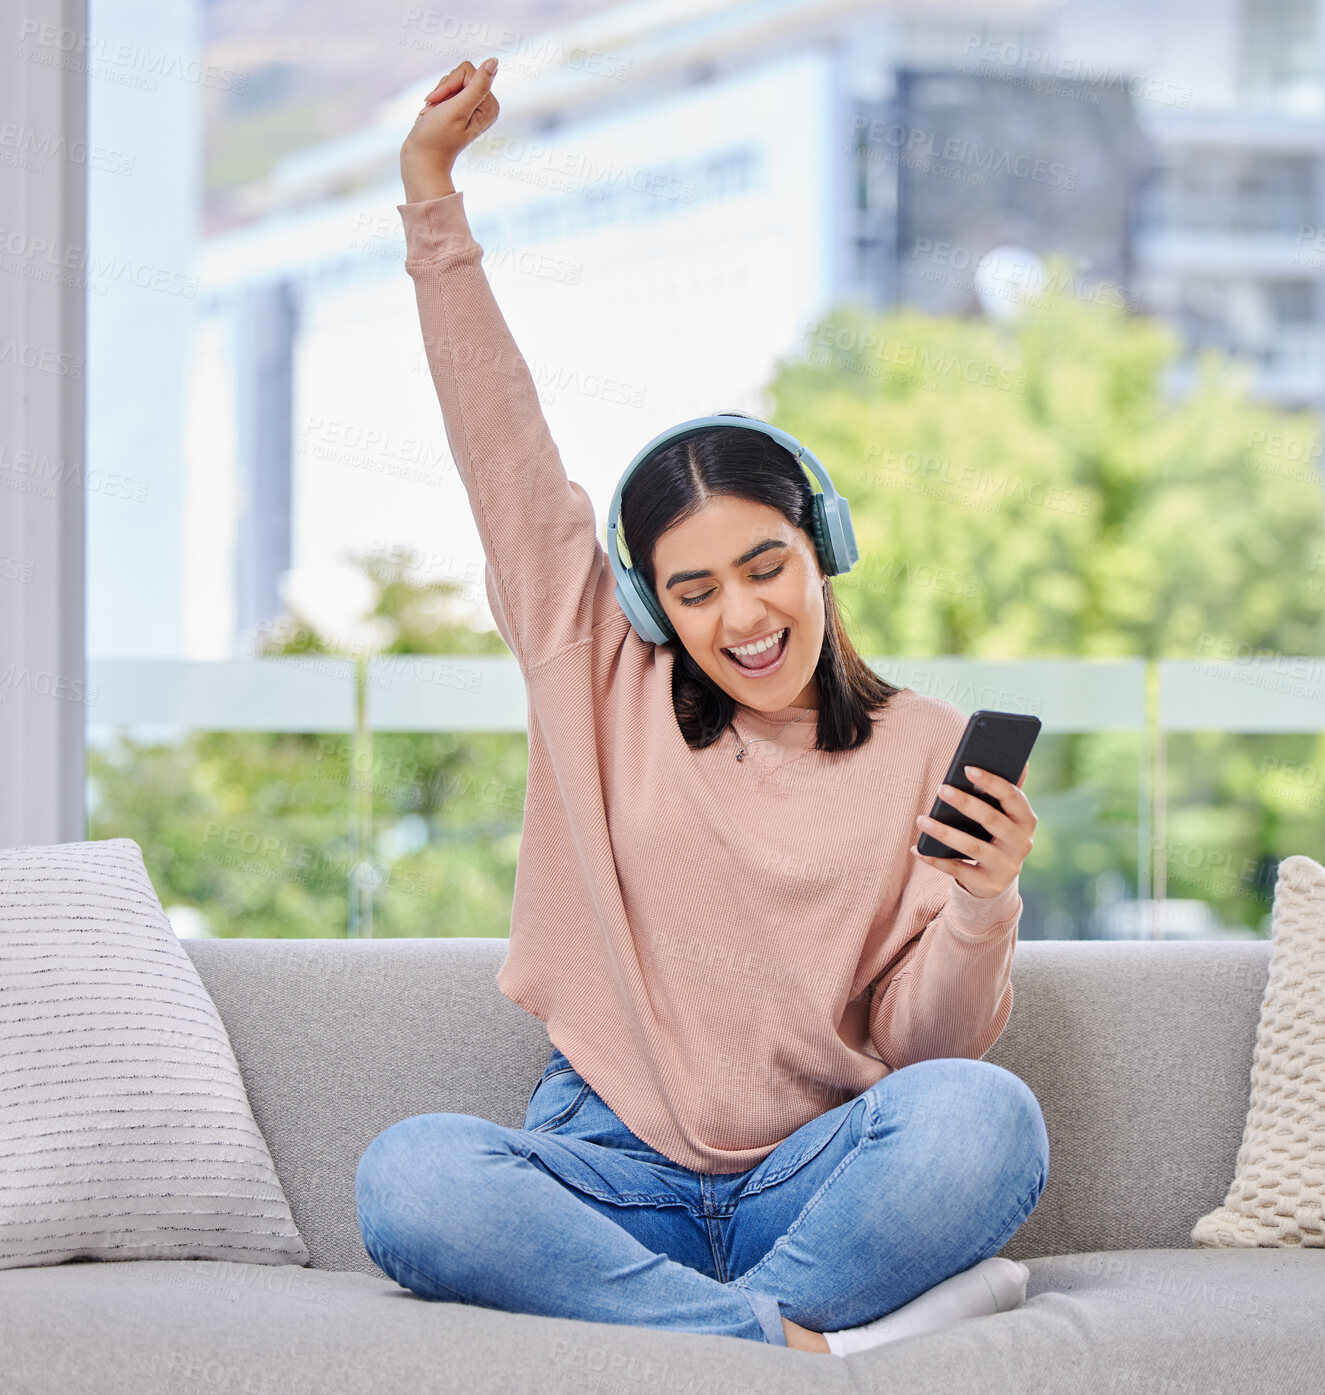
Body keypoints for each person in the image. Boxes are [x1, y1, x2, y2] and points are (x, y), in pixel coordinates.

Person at [355, 56, 1047, 1357]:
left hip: (818, 1178)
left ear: (820, 546)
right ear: (646, 602)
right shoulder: (591, 672)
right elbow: (499, 445)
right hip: (609, 1180)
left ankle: (682, 1346)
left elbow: (921, 1049)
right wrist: (429, 199)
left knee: (986, 1120)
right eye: (693, 588)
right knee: (410, 1175)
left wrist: (980, 904)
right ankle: (770, 1352)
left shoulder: (923, 747)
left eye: (764, 565)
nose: (740, 617)